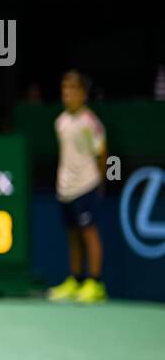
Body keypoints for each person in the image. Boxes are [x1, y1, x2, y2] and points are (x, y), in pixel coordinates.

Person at [47, 70, 108, 303]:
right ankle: (75, 279)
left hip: (87, 184)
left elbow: (104, 152)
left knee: (89, 233)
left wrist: (104, 180)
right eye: (65, 90)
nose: (68, 94)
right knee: (72, 235)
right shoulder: (60, 122)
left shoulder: (90, 122)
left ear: (83, 94)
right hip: (65, 188)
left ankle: (95, 282)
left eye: (73, 89)